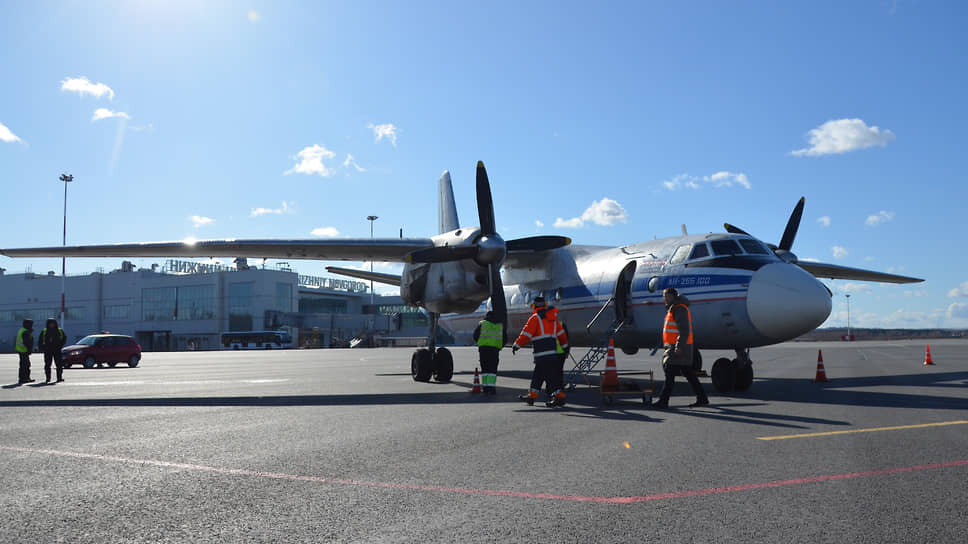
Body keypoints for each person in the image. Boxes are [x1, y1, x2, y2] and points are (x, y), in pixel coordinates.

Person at [653, 288, 709, 408]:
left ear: (674, 297)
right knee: (689, 374)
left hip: (678, 347)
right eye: (664, 297)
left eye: (667, 297)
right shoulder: (674, 308)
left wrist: (679, 347)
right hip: (677, 346)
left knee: (670, 373)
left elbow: (684, 330)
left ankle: (663, 401)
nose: (665, 299)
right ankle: (702, 398)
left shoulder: (679, 308)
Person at [512, 296, 570, 407]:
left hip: (541, 353)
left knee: (551, 377)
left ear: (534, 306)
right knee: (538, 375)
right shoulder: (553, 319)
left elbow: (526, 334)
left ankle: (560, 398)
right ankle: (531, 397)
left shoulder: (535, 318)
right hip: (552, 353)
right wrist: (565, 346)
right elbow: (561, 334)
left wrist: (516, 345)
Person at [471, 310, 506, 395]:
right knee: (493, 369)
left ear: (487, 316)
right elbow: (505, 339)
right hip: (494, 350)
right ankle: (492, 387)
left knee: (485, 368)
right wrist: (499, 347)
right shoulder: (500, 326)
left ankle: (486, 387)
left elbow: (475, 335)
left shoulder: (483, 324)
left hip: (484, 350)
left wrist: (481, 343)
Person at [38, 318, 67, 383]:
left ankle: (59, 378)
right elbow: (40, 341)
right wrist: (42, 348)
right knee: (47, 365)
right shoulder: (44, 331)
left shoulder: (59, 330)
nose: (52, 325)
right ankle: (48, 378)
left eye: (53, 323)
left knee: (59, 364)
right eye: (50, 323)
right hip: (47, 350)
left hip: (57, 350)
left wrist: (60, 345)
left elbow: (64, 338)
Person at [15, 318, 35, 384]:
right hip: (24, 350)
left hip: (20, 350)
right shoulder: (25, 332)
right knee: (26, 365)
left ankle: (23, 378)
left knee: (23, 365)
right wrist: (29, 350)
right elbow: (27, 342)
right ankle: (25, 378)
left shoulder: (21, 330)